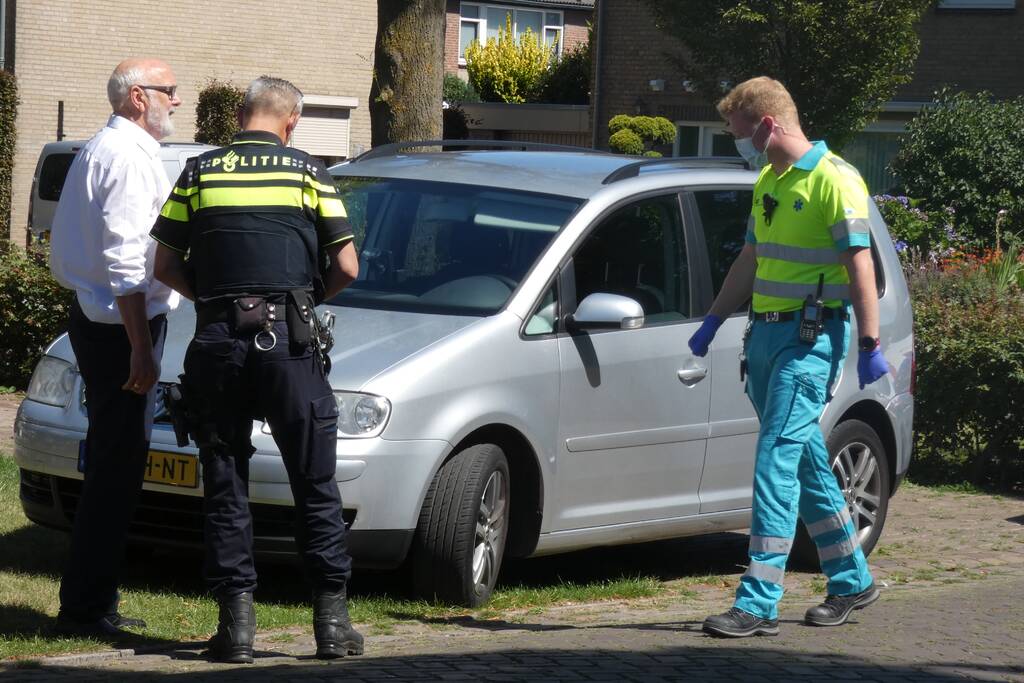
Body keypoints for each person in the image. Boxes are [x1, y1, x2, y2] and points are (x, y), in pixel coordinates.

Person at [151, 76, 362, 663]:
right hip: (289, 343)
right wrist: (304, 302)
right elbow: (347, 265)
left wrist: (213, 301)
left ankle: (236, 629)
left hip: (219, 344)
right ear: (291, 121)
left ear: (241, 115)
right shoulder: (309, 173)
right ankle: (331, 625)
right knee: (313, 481)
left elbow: (163, 263)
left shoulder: (199, 173)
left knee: (225, 480)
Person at [687, 76, 889, 638]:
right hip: (768, 338)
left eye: (740, 132)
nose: (739, 143)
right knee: (804, 462)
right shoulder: (769, 180)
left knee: (775, 458)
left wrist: (869, 344)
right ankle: (852, 580)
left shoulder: (834, 178)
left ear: (769, 125)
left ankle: (758, 601)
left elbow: (860, 264)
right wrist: (713, 320)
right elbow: (751, 258)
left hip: (810, 339)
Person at [48, 58, 182, 637]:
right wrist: (140, 347)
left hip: (103, 320)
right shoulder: (125, 156)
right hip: (117, 327)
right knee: (116, 468)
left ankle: (90, 599)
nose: (177, 100)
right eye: (169, 90)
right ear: (138, 98)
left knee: (114, 463)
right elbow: (126, 261)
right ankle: (86, 606)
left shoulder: (109, 147)